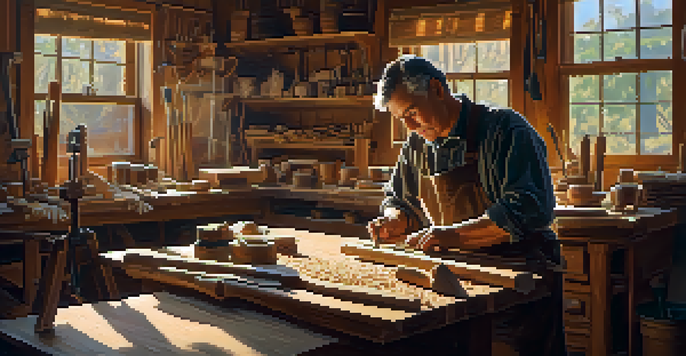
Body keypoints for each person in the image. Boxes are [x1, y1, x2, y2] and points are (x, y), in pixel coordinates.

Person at [368, 55, 567, 356]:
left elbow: (526, 208)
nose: (409, 126)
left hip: (519, 284)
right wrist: (395, 219)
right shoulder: (418, 145)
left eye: (411, 112)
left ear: (436, 89)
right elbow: (400, 200)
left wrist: (450, 236)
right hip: (459, 283)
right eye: (401, 119)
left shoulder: (506, 130)